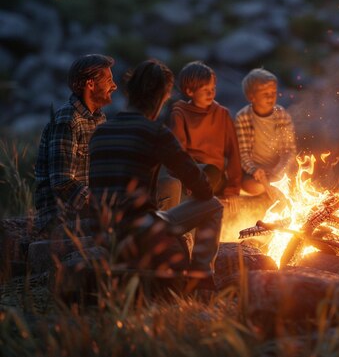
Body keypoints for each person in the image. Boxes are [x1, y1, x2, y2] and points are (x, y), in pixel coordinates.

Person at [89, 59, 223, 288]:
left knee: (169, 186)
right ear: (161, 97)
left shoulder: (100, 132)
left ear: (130, 92)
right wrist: (201, 176)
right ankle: (201, 280)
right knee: (214, 205)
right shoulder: (154, 132)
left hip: (103, 231)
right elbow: (202, 188)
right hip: (140, 230)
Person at [34, 54, 117, 234]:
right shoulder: (68, 120)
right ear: (90, 84)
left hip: (87, 213)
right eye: (109, 80)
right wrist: (101, 204)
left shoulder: (99, 118)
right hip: (61, 219)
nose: (114, 85)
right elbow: (62, 182)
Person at [169, 61, 242, 198]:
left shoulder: (222, 114)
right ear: (190, 91)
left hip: (214, 175)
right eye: (205, 90)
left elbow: (234, 153)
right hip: (190, 173)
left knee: (212, 173)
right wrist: (186, 180)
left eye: (213, 89)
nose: (210, 94)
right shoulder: (180, 114)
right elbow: (178, 151)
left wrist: (233, 188)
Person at [235, 68, 297, 196]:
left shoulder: (281, 115)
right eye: (265, 94)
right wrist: (254, 170)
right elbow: (243, 153)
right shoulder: (243, 117)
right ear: (251, 97)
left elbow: (289, 150)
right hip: (254, 173)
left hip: (278, 169)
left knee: (291, 184)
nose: (271, 97)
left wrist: (279, 171)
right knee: (256, 187)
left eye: (273, 92)